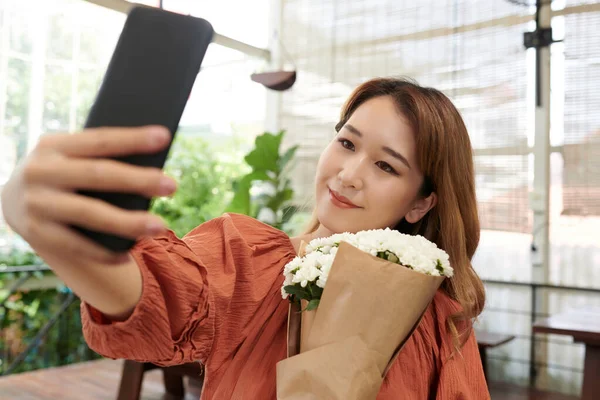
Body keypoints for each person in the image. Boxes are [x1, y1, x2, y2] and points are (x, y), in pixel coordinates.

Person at [1, 77, 490, 399]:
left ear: (421, 202)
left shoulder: (439, 319)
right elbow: (160, 296)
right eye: (346, 143)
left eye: (386, 165)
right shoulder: (252, 265)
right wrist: (66, 239)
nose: (349, 174)